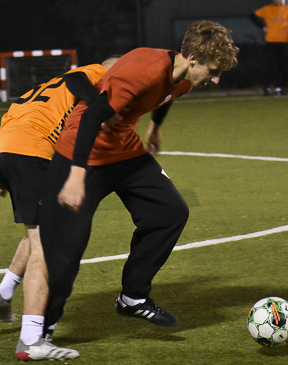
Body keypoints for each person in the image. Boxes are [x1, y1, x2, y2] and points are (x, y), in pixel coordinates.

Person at [38, 21, 239, 353]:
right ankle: (41, 332)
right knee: (66, 252)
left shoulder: (184, 77)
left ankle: (133, 296)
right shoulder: (144, 70)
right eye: (213, 71)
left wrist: (155, 127)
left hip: (124, 151)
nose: (216, 79)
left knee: (170, 212)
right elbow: (91, 116)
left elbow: (168, 94)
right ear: (192, 58)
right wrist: (75, 176)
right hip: (81, 153)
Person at [0, 57, 120, 362]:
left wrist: (3, 180)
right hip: (32, 153)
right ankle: (31, 341)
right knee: (46, 246)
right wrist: (103, 108)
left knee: (41, 230)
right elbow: (80, 82)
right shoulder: (96, 74)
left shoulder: (48, 87)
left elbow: (24, 121)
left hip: (5, 150)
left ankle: (3, 293)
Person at [251, 0, 288, 96]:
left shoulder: (287, 9)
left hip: (283, 42)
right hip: (271, 41)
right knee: (269, 65)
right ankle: (266, 88)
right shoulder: (267, 9)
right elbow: (252, 16)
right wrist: (262, 27)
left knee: (282, 65)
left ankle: (279, 88)